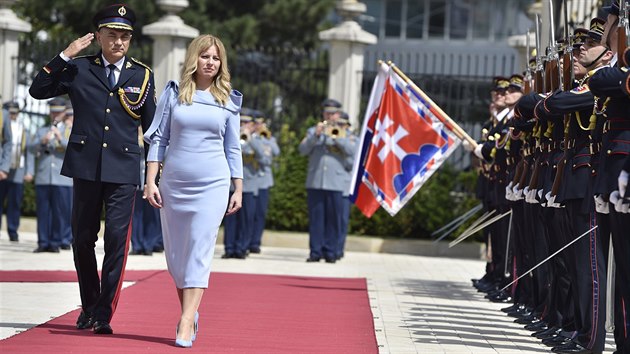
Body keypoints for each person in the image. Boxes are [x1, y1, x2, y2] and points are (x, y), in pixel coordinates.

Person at [29, 4, 156, 335]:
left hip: (124, 169)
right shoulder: (80, 69)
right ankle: (89, 304)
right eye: (112, 35)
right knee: (82, 239)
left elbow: (153, 128)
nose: (118, 41)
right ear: (98, 36)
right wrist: (66, 54)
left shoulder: (142, 75)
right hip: (86, 167)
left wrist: (153, 175)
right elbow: (38, 90)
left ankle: (102, 313)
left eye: (124, 36)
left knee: (116, 241)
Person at [143, 34, 243, 348]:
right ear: (194, 59)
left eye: (215, 58)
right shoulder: (174, 95)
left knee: (200, 249)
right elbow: (158, 140)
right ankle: (191, 310)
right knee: (177, 258)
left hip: (213, 184)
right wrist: (150, 181)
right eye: (205, 57)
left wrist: (237, 188)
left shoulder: (228, 100)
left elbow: (233, 148)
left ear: (221, 63)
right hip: (175, 184)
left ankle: (186, 320)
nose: (210, 63)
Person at [299, 98, 355, 263]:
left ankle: (331, 251)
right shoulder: (313, 131)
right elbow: (302, 150)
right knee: (316, 219)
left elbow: (352, 151)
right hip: (316, 181)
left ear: (338, 114)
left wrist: (337, 137)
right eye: (327, 113)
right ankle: (315, 251)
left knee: (334, 219)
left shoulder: (347, 134)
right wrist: (316, 136)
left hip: (336, 182)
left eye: (333, 113)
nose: (330, 116)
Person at [30, 98, 73, 253]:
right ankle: (43, 241)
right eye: (53, 111)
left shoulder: (68, 130)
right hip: (44, 176)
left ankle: (55, 241)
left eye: (58, 112)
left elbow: (73, 149)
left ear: (63, 113)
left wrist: (60, 138)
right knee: (43, 211)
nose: (55, 115)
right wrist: (42, 142)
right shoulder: (42, 130)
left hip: (62, 178)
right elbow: (30, 149)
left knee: (60, 212)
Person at [0, 102, 33, 242]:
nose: (13, 115)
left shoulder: (23, 127)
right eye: (10, 112)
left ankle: (13, 231)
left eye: (15, 112)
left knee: (15, 203)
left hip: (18, 169)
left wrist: (29, 171)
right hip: (3, 168)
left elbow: (29, 151)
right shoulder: (3, 125)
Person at [249, 109, 280, 254]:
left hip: (263, 180)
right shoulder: (247, 136)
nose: (257, 126)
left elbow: (276, 152)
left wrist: (267, 138)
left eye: (260, 123)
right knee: (248, 213)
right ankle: (245, 241)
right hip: (250, 178)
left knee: (260, 213)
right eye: (255, 123)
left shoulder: (268, 138)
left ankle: (255, 242)